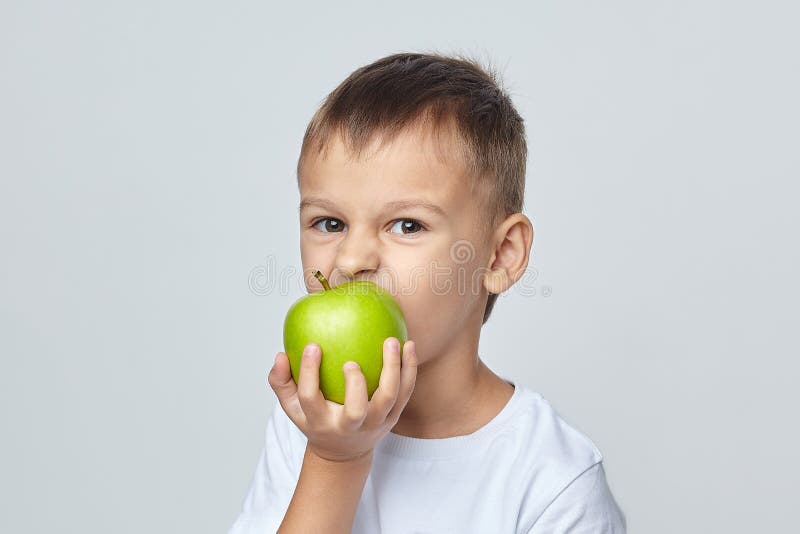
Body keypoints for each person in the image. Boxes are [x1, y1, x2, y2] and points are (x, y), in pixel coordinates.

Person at [228, 51, 627, 533]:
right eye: (329, 223)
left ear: (500, 256)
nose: (351, 260)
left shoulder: (553, 482)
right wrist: (334, 460)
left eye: (407, 225)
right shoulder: (310, 423)